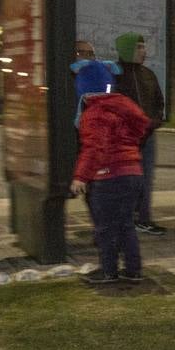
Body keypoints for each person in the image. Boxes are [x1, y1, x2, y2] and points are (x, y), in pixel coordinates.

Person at [70, 61, 151, 283]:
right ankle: (133, 270)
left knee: (105, 227)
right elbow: (140, 129)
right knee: (125, 224)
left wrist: (80, 177)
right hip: (133, 173)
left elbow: (94, 148)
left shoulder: (95, 113)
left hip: (109, 176)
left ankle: (108, 271)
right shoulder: (123, 105)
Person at [114, 32, 167, 235]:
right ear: (128, 49)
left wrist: (154, 121)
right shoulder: (115, 75)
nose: (144, 51)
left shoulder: (148, 75)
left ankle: (143, 219)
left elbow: (159, 102)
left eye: (143, 47)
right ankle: (125, 220)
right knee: (126, 180)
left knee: (146, 179)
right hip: (125, 139)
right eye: (139, 47)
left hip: (148, 137)